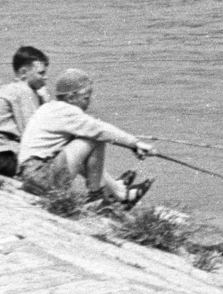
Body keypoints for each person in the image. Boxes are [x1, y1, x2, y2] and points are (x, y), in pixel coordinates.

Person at [17, 69, 155, 207]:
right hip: (42, 178)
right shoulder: (68, 111)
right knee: (95, 139)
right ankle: (97, 196)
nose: (88, 102)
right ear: (71, 98)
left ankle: (116, 191)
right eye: (86, 98)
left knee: (86, 141)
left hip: (30, 177)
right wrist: (135, 144)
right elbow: (99, 130)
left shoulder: (49, 108)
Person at [0, 45, 50, 177]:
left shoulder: (11, 88)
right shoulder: (23, 91)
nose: (46, 78)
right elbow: (31, 133)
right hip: (1, 155)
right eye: (41, 73)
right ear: (24, 73)